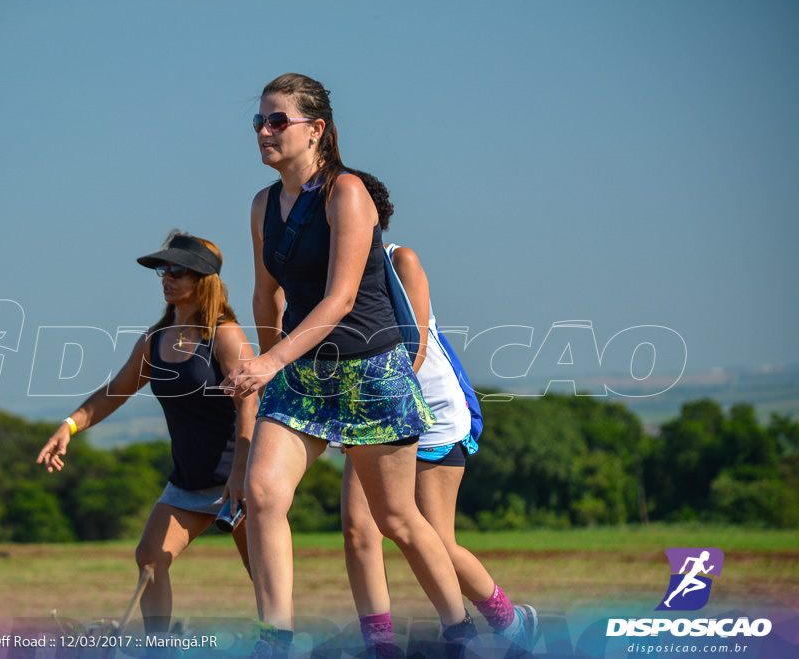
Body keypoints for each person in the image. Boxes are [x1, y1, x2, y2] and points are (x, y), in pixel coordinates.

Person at [221, 73, 475, 658]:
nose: (264, 131)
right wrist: (269, 366)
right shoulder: (263, 205)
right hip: (302, 375)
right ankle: (275, 638)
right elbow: (267, 296)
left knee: (396, 520)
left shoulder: (347, 193)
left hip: (369, 371)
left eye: (277, 120)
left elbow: (337, 300)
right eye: (258, 121)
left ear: (317, 130)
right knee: (261, 495)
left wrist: (271, 360)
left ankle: (459, 633)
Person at [341, 171, 538, 658]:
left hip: (427, 410)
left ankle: (509, 622)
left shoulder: (398, 260)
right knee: (358, 528)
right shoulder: (326, 278)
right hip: (367, 410)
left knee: (433, 539)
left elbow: (418, 346)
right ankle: (380, 645)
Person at [36, 231, 256, 646]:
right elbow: (114, 392)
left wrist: (242, 476)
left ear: (202, 278)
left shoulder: (224, 335)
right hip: (188, 482)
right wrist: (68, 426)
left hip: (239, 480)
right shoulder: (154, 342)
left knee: (263, 575)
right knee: (150, 558)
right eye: (162, 269)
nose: (165, 278)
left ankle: (280, 645)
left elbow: (250, 404)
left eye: (176, 270)